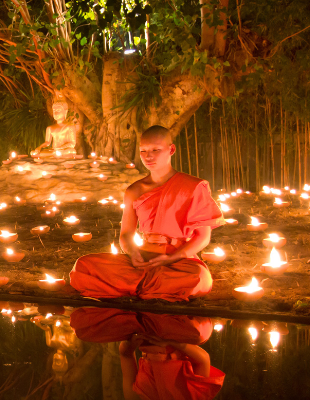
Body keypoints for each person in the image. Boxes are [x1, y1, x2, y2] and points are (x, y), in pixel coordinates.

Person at [69, 125, 224, 302]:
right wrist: (133, 254)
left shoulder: (193, 186)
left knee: (197, 277)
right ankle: (151, 289)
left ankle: (133, 287)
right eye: (143, 151)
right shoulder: (135, 190)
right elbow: (126, 234)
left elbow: (202, 237)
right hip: (144, 257)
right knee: (84, 265)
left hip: (178, 260)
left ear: (171, 149)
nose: (148, 156)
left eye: (155, 150)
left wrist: (171, 258)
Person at [70, 307, 224, 400]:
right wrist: (171, 343)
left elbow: (125, 354)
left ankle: (136, 306)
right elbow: (203, 359)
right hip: (175, 332)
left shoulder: (135, 398)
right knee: (200, 333)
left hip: (141, 330)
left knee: (84, 330)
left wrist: (131, 343)